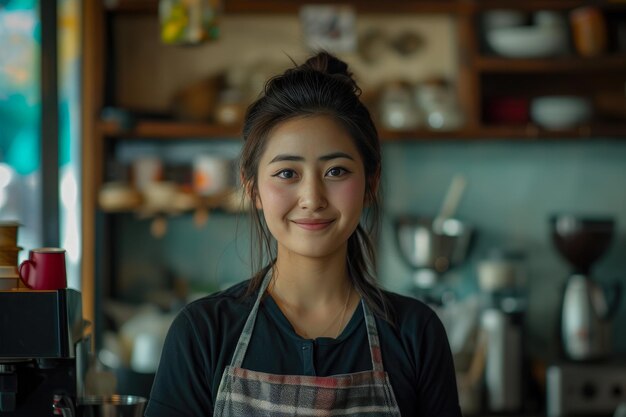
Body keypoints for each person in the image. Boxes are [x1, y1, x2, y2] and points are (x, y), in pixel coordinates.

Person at [145, 51, 462, 417]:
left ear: (370, 183)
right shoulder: (203, 333)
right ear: (253, 190)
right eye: (287, 173)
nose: (312, 198)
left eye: (337, 171)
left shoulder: (415, 333)